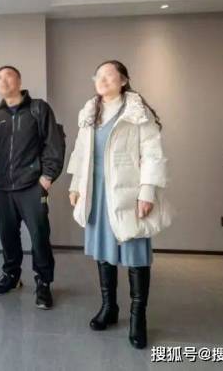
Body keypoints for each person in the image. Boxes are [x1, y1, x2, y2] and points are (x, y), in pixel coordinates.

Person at [67, 59, 172, 349]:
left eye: (109, 75)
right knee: (104, 252)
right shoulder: (90, 111)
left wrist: (146, 192)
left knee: (135, 254)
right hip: (96, 192)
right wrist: (75, 185)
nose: (102, 79)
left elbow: (152, 153)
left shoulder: (137, 111)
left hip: (127, 192)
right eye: (97, 75)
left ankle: (138, 318)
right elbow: (80, 152)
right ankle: (109, 307)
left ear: (124, 80)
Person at [0, 65, 65, 309]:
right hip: (3, 188)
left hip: (32, 185)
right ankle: (11, 276)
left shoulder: (38, 108)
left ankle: (43, 282)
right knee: (7, 234)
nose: (3, 80)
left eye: (8, 76)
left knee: (39, 235)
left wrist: (48, 176)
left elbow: (54, 143)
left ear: (19, 81)